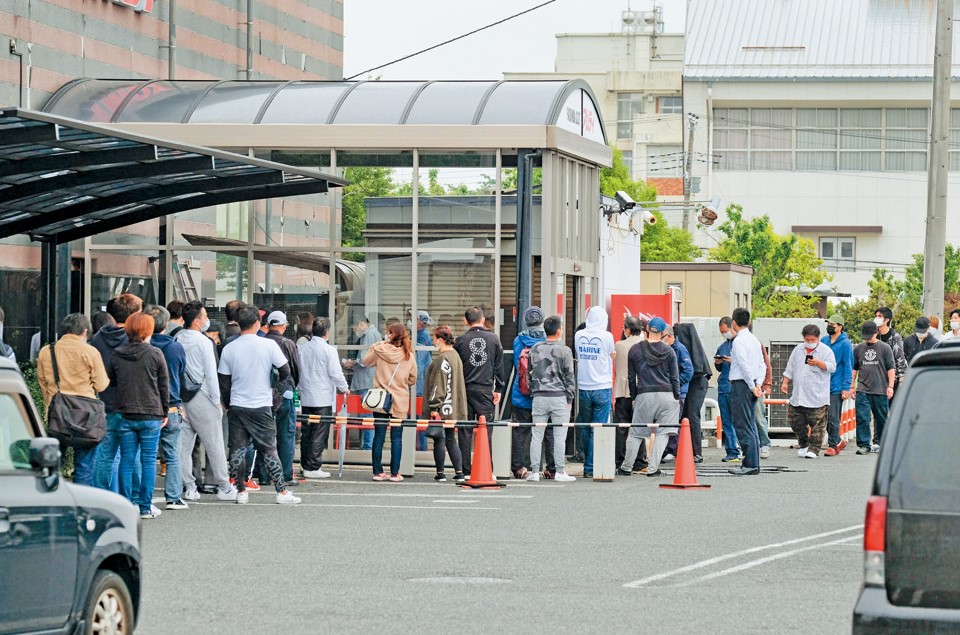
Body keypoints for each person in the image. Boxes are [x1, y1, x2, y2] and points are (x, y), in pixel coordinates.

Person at [219, 305, 300, 505]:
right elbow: (285, 370)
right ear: (257, 323)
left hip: (237, 405)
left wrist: (228, 403)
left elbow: (224, 382)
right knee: (269, 449)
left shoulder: (230, 348)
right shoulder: (268, 345)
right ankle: (281, 491)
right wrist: (274, 388)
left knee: (237, 449)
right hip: (262, 404)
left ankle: (240, 490)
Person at [36, 313, 109, 486]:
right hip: (87, 417)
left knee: (53, 465)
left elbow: (42, 383)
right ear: (85, 331)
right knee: (84, 466)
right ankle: (79, 500)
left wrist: (50, 404)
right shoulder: (90, 352)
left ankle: (53, 497)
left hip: (56, 415)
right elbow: (101, 385)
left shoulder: (47, 351)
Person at [107, 313, 169, 519]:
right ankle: (145, 507)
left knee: (126, 459)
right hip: (151, 413)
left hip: (125, 413)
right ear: (148, 331)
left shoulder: (117, 353)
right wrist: (165, 411)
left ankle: (127, 505)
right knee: (148, 460)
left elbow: (111, 381)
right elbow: (163, 385)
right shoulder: (155, 353)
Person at [175, 301, 237, 502]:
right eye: (204, 317)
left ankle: (190, 487)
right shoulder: (204, 342)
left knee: (183, 447)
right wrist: (217, 402)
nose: (206, 320)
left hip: (182, 397)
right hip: (203, 395)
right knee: (215, 444)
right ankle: (224, 486)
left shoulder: (177, 338)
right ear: (196, 321)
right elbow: (211, 374)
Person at [92, 293, 143, 493]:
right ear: (133, 315)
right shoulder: (133, 340)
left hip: (104, 402)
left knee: (106, 455)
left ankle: (102, 496)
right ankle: (135, 498)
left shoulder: (97, 339)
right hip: (130, 404)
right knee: (133, 454)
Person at [619, 317, 680, 478]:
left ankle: (626, 467)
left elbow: (631, 377)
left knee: (636, 433)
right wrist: (676, 396)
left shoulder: (635, 350)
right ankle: (653, 469)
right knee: (663, 433)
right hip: (666, 395)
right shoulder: (669, 351)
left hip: (644, 394)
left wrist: (635, 397)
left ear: (647, 330)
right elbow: (675, 377)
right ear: (662, 332)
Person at [145, 305, 189, 511]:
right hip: (171, 405)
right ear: (166, 325)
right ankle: (173, 497)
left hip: (147, 406)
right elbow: (181, 372)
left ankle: (143, 497)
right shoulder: (175, 347)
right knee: (172, 455)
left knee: (145, 455)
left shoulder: (141, 346)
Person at [363, 322, 417, 482]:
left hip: (380, 400)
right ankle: (395, 473)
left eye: (387, 332)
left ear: (391, 334)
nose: (385, 334)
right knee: (396, 438)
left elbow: (366, 362)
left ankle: (378, 472)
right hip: (399, 400)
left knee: (379, 436)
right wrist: (401, 383)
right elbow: (413, 379)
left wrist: (374, 347)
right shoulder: (408, 355)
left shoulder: (380, 350)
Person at [454, 306, 504, 477]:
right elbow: (499, 366)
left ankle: (466, 470)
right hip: (485, 390)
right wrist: (499, 389)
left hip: (465, 391)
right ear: (482, 320)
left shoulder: (460, 341)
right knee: (486, 431)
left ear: (465, 321)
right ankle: (486, 469)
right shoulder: (494, 339)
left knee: (464, 431)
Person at [526, 315, 576, 482]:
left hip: (539, 396)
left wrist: (533, 391)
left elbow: (529, 374)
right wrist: (570, 398)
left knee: (537, 435)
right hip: (559, 397)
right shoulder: (565, 350)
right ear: (559, 331)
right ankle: (560, 471)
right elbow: (569, 376)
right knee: (559, 436)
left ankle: (534, 472)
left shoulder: (534, 349)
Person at [298, 317, 349, 479]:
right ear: (327, 333)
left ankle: (305, 464)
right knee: (319, 433)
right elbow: (335, 373)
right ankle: (313, 467)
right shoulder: (329, 350)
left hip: (306, 396)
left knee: (307, 432)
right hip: (322, 398)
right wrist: (345, 388)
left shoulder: (302, 349)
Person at [510, 306, 555, 479]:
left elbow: (516, 363)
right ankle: (551, 468)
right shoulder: (547, 340)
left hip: (521, 393)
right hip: (544, 392)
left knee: (520, 431)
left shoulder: (518, 340)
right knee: (548, 431)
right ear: (542, 321)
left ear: (525, 321)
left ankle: (518, 467)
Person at [781, 324, 836, 458]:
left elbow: (832, 367)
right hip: (799, 395)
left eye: (812, 340)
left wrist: (818, 363)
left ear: (818, 338)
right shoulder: (798, 350)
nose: (810, 342)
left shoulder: (826, 351)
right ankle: (804, 443)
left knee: (818, 424)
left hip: (817, 395)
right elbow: (790, 367)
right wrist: (785, 382)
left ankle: (814, 449)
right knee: (794, 420)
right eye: (807, 340)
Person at [574, 306, 615, 479]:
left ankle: (587, 465)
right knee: (598, 428)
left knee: (585, 426)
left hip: (584, 387)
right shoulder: (607, 336)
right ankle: (593, 465)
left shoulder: (579, 335)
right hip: (602, 386)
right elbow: (612, 355)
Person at [423, 325, 467, 482]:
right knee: (450, 438)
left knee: (439, 439)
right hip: (453, 404)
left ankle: (441, 473)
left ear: (440, 340)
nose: (433, 341)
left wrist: (434, 407)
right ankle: (459, 472)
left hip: (443, 405)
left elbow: (439, 384)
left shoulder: (442, 359)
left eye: (434, 338)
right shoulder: (455, 356)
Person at [264, 311, 301, 485]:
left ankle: (264, 475)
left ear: (268, 325)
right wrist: (291, 386)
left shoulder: (262, 341)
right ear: (284, 326)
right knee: (286, 433)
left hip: (264, 393)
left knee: (265, 434)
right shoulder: (288, 343)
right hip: (285, 393)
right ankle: (285, 475)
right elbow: (296, 370)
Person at [727, 307, 766, 476]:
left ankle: (750, 463)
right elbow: (762, 364)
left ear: (733, 323)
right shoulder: (754, 340)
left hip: (742, 385)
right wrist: (758, 384)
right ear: (749, 322)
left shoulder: (739, 341)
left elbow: (743, 365)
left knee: (742, 424)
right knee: (751, 424)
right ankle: (753, 462)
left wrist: (751, 385)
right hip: (753, 383)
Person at [853, 320, 896, 455]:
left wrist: (890, 386)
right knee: (862, 418)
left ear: (876, 333)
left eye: (869, 336)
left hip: (880, 389)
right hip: (862, 389)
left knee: (881, 418)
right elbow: (854, 368)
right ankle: (864, 445)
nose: (867, 339)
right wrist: (851, 386)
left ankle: (883, 443)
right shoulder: (858, 348)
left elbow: (891, 368)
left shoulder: (885, 348)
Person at [675, 322, 712, 463]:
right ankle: (686, 449)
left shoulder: (683, 348)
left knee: (692, 415)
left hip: (698, 382)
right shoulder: (693, 349)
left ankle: (697, 452)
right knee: (685, 415)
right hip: (695, 381)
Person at [344, 316, 381, 450]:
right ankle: (367, 445)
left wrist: (352, 363)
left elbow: (365, 360)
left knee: (367, 415)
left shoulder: (369, 334)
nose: (355, 330)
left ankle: (367, 447)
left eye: (355, 327)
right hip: (368, 380)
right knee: (368, 415)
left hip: (366, 380)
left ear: (361, 323)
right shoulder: (373, 333)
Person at [614, 316, 646, 471]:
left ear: (627, 329)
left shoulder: (619, 345)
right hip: (640, 390)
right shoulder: (645, 344)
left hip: (622, 390)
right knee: (639, 426)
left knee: (621, 427)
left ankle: (620, 461)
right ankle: (640, 461)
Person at [821, 314, 854, 456]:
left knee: (833, 416)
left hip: (836, 385)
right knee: (823, 417)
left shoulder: (846, 344)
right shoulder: (824, 340)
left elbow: (848, 366)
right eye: (828, 324)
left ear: (840, 327)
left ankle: (833, 445)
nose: (829, 327)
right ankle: (838, 441)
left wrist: (846, 387)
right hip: (822, 384)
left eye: (832, 325)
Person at [660, 325, 692, 463]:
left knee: (673, 421)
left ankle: (673, 450)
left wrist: (676, 384)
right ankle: (669, 449)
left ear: (669, 336)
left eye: (662, 337)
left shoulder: (679, 349)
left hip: (678, 393)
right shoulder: (669, 349)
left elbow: (688, 371)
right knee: (668, 421)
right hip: (669, 391)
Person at [715, 317, 741, 463]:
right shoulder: (723, 347)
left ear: (732, 327)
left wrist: (733, 361)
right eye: (722, 332)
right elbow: (718, 368)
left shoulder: (742, 343)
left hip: (737, 388)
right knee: (726, 421)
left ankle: (744, 449)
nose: (724, 334)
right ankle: (732, 451)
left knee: (739, 420)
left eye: (725, 331)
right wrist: (718, 362)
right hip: (724, 387)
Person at [874, 307, 907, 394]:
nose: (876, 318)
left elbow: (900, 358)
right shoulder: (874, 336)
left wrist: (901, 377)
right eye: (876, 316)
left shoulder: (895, 337)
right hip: (875, 380)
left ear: (887, 320)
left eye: (879, 316)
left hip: (891, 380)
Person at [414, 310, 434, 451]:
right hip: (419, 386)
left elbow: (419, 365)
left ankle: (421, 449)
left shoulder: (422, 337)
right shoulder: (419, 335)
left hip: (418, 388)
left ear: (420, 322)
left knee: (419, 422)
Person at [755, 334, 774, 459]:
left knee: (758, 417)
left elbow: (766, 364)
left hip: (757, 386)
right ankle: (746, 447)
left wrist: (767, 384)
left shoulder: (756, 342)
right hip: (738, 386)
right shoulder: (729, 344)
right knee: (742, 419)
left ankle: (765, 444)